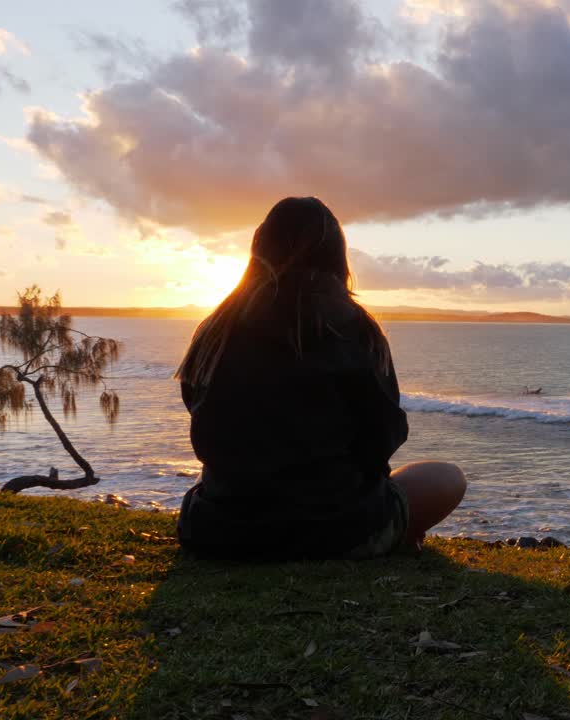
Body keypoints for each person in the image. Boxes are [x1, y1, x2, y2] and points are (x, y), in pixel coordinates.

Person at [174, 197, 466, 561]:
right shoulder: (355, 326)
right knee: (448, 478)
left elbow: (200, 412)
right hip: (334, 532)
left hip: (217, 532)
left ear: (259, 247)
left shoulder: (214, 330)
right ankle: (391, 537)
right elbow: (383, 434)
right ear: (337, 254)